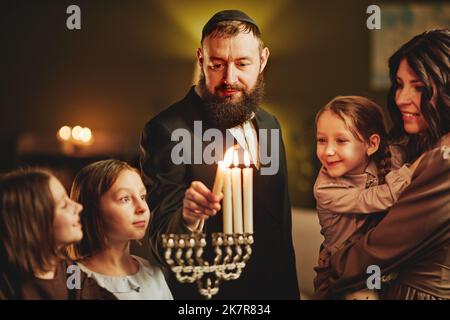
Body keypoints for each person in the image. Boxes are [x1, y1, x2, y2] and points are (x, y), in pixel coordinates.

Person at [140, 10, 299, 299]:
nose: (230, 78)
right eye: (217, 64)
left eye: (242, 63)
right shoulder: (166, 129)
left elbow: (280, 228)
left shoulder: (270, 124)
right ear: (201, 59)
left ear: (262, 60)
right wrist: (186, 219)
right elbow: (159, 237)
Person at [313, 29, 450, 300]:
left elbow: (382, 246)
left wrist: (334, 266)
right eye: (399, 84)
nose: (400, 99)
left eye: (419, 87)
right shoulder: (415, 144)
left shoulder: (442, 158)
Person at [314, 96, 419, 299]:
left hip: (379, 261)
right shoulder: (325, 188)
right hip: (343, 267)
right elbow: (380, 198)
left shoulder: (391, 156)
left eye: (341, 140)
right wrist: (415, 167)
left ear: (371, 144)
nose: (328, 151)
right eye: (321, 140)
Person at [0, 168, 115, 300]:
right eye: (64, 205)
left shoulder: (70, 271)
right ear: (34, 220)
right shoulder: (6, 283)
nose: (78, 207)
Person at [67, 160, 173, 300]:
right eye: (125, 199)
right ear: (93, 209)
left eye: (142, 196)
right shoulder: (73, 278)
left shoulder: (152, 273)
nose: (142, 207)